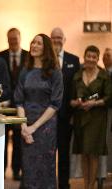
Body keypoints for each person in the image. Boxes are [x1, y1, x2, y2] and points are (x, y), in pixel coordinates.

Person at [14, 33, 63, 188]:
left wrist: (34, 127)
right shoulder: (25, 71)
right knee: (28, 168)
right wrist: (24, 127)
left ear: (46, 48)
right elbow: (19, 101)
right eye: (32, 42)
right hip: (26, 125)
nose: (34, 46)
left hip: (46, 126)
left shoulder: (55, 72)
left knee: (45, 166)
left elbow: (55, 104)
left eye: (39, 43)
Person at [70, 45, 112, 189]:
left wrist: (94, 103)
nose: (91, 59)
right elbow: (70, 98)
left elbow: (109, 98)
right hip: (80, 118)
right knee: (83, 153)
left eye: (94, 57)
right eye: (89, 56)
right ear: (84, 56)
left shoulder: (103, 76)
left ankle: (91, 186)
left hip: (97, 119)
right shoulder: (77, 75)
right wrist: (76, 103)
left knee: (93, 153)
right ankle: (85, 184)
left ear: (98, 59)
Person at [0, 27, 28, 180]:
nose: (13, 42)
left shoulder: (29, 57)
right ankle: (0, 170)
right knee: (1, 139)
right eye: (10, 39)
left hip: (21, 106)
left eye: (15, 39)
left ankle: (16, 170)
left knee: (17, 140)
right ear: (7, 39)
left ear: (20, 38)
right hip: (3, 106)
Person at [50, 27, 80, 189]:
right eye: (54, 38)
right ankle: (47, 183)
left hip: (64, 116)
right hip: (46, 117)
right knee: (47, 153)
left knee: (63, 154)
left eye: (59, 38)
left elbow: (76, 88)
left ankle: (63, 184)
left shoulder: (73, 60)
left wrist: (73, 114)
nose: (56, 41)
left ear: (64, 40)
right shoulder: (44, 60)